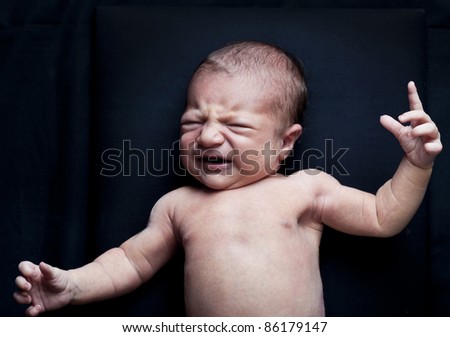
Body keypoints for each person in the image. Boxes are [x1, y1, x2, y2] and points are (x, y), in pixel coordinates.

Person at [14, 41, 442, 316]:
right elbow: (127, 263)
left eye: (235, 126)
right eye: (192, 121)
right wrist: (72, 286)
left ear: (284, 143)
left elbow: (383, 216)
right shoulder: (178, 205)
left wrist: (416, 164)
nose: (208, 135)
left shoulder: (304, 188)